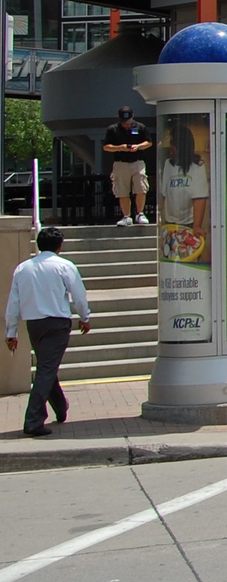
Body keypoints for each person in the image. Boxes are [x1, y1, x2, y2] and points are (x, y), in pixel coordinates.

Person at [5, 227, 90, 438]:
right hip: (57, 324)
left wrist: (11, 331)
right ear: (60, 245)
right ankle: (33, 420)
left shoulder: (23, 268)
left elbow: (13, 302)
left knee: (46, 367)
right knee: (46, 370)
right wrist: (84, 317)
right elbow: (79, 295)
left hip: (34, 324)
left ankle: (60, 406)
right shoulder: (64, 266)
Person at [104, 105, 152, 226]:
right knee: (122, 190)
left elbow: (148, 142)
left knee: (141, 187)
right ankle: (126, 216)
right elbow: (106, 147)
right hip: (121, 163)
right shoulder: (112, 129)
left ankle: (140, 213)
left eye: (129, 122)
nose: (127, 124)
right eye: (124, 122)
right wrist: (120, 148)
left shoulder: (140, 127)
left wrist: (138, 147)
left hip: (138, 162)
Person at [160, 121, 210, 233]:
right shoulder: (168, 164)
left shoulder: (197, 167)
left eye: (173, 143)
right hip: (170, 222)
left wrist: (197, 226)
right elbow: (164, 195)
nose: (170, 147)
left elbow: (200, 198)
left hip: (189, 223)